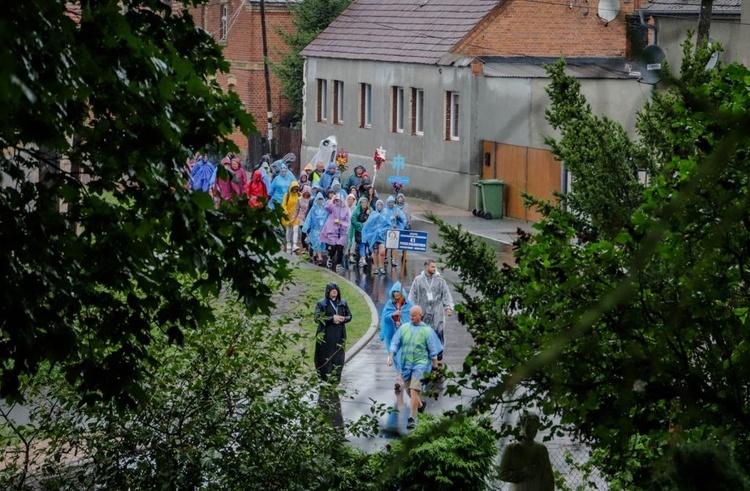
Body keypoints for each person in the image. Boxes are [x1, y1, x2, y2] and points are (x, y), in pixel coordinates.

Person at [387, 305, 443, 429]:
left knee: (414, 389)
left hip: (421, 365)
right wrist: (391, 355)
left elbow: (433, 351)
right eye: (410, 315)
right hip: (406, 365)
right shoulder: (404, 328)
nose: (411, 317)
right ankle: (420, 405)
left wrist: (435, 368)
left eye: (414, 315)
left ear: (420, 316)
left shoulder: (427, 331)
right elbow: (395, 343)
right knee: (408, 390)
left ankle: (411, 418)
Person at [408, 259, 454, 361]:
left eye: (435, 267)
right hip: (423, 311)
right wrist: (412, 308)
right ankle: (425, 352)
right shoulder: (418, 280)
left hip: (437, 311)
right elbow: (412, 294)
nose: (434, 269)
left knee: (438, 330)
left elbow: (446, 294)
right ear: (426, 267)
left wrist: (448, 307)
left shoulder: (440, 280)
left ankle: (440, 350)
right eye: (432, 267)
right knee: (424, 332)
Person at [498, 413, 555, 490]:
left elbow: (548, 477)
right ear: (521, 426)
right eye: (529, 426)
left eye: (535, 426)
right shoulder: (511, 448)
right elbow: (502, 474)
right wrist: (523, 473)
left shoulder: (541, 449)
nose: (532, 429)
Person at [314, 282, 352, 383]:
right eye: (332, 289)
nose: (334, 291)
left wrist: (344, 318)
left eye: (336, 289)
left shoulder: (342, 302)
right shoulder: (322, 303)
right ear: (328, 291)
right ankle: (324, 379)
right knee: (324, 357)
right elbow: (317, 318)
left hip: (339, 334)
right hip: (326, 335)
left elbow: (349, 316)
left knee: (338, 357)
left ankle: (335, 379)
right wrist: (331, 318)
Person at [380, 281, 414, 391]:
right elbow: (385, 318)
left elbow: (413, 320)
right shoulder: (390, 305)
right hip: (393, 336)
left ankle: (401, 378)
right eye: (394, 292)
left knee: (402, 357)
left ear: (402, 292)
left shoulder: (409, 305)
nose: (395, 294)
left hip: (404, 336)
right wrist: (393, 316)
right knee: (397, 356)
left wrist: (402, 324)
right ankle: (399, 378)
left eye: (397, 292)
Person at [321, 194, 351, 273]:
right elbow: (326, 207)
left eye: (339, 200)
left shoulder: (346, 210)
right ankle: (330, 257)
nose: (338, 202)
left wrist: (341, 223)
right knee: (334, 247)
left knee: (340, 247)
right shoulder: (333, 207)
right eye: (336, 200)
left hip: (342, 232)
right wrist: (332, 198)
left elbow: (348, 223)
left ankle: (338, 263)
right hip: (333, 231)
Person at [361, 199, 388, 274]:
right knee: (375, 251)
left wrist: (383, 230)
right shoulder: (373, 214)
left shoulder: (385, 214)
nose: (379, 206)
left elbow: (389, 225)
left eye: (381, 205)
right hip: (373, 237)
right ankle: (376, 267)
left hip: (382, 237)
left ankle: (381, 267)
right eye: (378, 205)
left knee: (382, 251)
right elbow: (368, 225)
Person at [302, 192, 328, 265]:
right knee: (317, 242)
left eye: (321, 199)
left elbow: (327, 218)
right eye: (319, 199)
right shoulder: (313, 209)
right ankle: (319, 257)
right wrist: (306, 228)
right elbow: (309, 219)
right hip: (315, 229)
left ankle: (317, 255)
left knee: (320, 243)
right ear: (316, 200)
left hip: (322, 229)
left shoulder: (325, 209)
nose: (320, 201)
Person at [281, 180, 301, 253]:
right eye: (294, 188)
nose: (295, 190)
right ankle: (288, 242)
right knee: (289, 229)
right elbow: (283, 204)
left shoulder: (299, 195)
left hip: (296, 215)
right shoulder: (287, 195)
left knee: (295, 229)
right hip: (288, 214)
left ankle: (295, 244)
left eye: (297, 189)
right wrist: (285, 211)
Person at [351, 196, 370, 268]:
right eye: (362, 202)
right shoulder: (356, 211)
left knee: (366, 245)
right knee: (361, 244)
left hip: (367, 232)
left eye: (365, 202)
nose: (364, 204)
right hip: (359, 231)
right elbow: (353, 220)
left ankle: (362, 259)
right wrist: (361, 225)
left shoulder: (370, 210)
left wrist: (368, 214)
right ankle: (363, 259)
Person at [294, 185, 312, 252]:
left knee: (308, 233)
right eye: (305, 192)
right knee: (303, 233)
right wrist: (294, 218)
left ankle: (308, 247)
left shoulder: (311, 200)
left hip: (309, 218)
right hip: (301, 218)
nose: (306, 193)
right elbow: (297, 209)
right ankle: (304, 247)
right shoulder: (299, 199)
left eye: (308, 192)